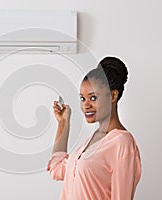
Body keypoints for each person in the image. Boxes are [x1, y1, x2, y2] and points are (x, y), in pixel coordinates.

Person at [47, 56, 141, 200]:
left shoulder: (122, 143)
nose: (86, 105)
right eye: (82, 99)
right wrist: (63, 122)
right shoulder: (93, 139)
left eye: (93, 98)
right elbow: (57, 169)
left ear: (113, 96)